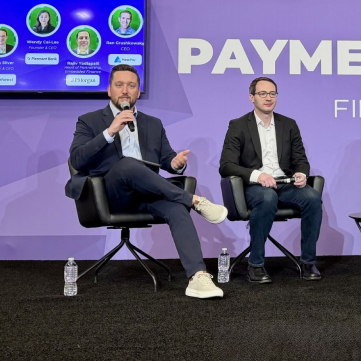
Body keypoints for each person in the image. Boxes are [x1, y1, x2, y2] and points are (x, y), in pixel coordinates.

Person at [66, 64, 228, 299]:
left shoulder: (153, 123)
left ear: (138, 91)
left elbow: (166, 159)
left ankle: (197, 276)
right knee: (128, 164)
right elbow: (77, 160)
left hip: (147, 194)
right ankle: (194, 200)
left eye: (131, 86)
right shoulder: (89, 121)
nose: (125, 90)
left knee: (176, 208)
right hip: (110, 195)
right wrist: (109, 132)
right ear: (109, 90)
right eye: (119, 85)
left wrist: (175, 164)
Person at [219, 77, 323, 283]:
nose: (268, 98)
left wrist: (302, 173)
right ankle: (256, 264)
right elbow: (226, 165)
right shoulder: (238, 125)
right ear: (252, 97)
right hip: (255, 186)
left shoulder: (289, 124)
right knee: (267, 198)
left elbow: (301, 160)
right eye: (263, 94)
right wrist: (258, 175)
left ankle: (308, 262)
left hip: (285, 183)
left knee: (312, 198)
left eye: (272, 93)